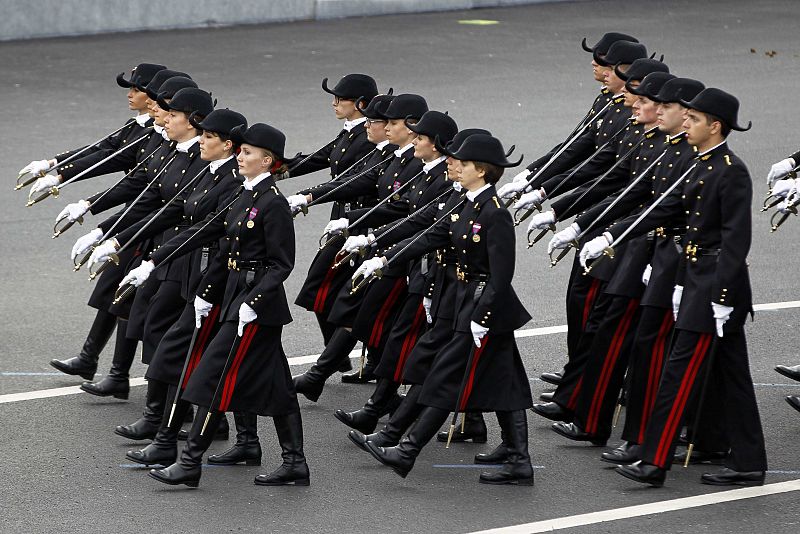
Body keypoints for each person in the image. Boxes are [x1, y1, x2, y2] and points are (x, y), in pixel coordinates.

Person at [581, 88, 768, 487]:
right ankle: (749, 461)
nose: (687, 122)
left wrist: (720, 297)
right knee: (732, 376)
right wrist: (609, 235)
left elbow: (736, 240)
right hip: (695, 278)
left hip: (714, 286)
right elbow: (663, 209)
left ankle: (654, 460)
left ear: (715, 126)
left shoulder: (730, 170)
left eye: (695, 119)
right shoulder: (700, 165)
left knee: (677, 373)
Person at [356, 134, 535, 485]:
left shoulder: (495, 214)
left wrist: (482, 317)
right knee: (507, 380)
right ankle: (518, 457)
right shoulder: (466, 204)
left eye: (462, 163)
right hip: (466, 301)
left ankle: (406, 450)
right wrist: (382, 259)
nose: (453, 165)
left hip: (486, 307)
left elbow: (502, 274)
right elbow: (429, 237)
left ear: (481, 171)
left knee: (443, 377)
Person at [148, 123, 308, 488]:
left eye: (248, 153)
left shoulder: (273, 203)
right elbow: (212, 236)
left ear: (267, 161)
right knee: (279, 386)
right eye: (241, 150)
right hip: (237, 296)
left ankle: (190, 462)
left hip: (255, 307)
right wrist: (155, 261)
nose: (240, 156)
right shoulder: (245, 195)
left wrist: (252, 302)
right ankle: (295, 462)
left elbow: (281, 264)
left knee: (214, 378)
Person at [105, 108, 247, 451]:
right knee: (183, 345)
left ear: (227, 145)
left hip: (213, 276)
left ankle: (173, 429)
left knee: (207, 353)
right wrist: (116, 237)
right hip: (189, 268)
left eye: (209, 137)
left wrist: (155, 260)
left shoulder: (232, 179)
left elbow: (210, 230)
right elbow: (175, 209)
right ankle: (181, 427)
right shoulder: (211, 172)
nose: (202, 141)